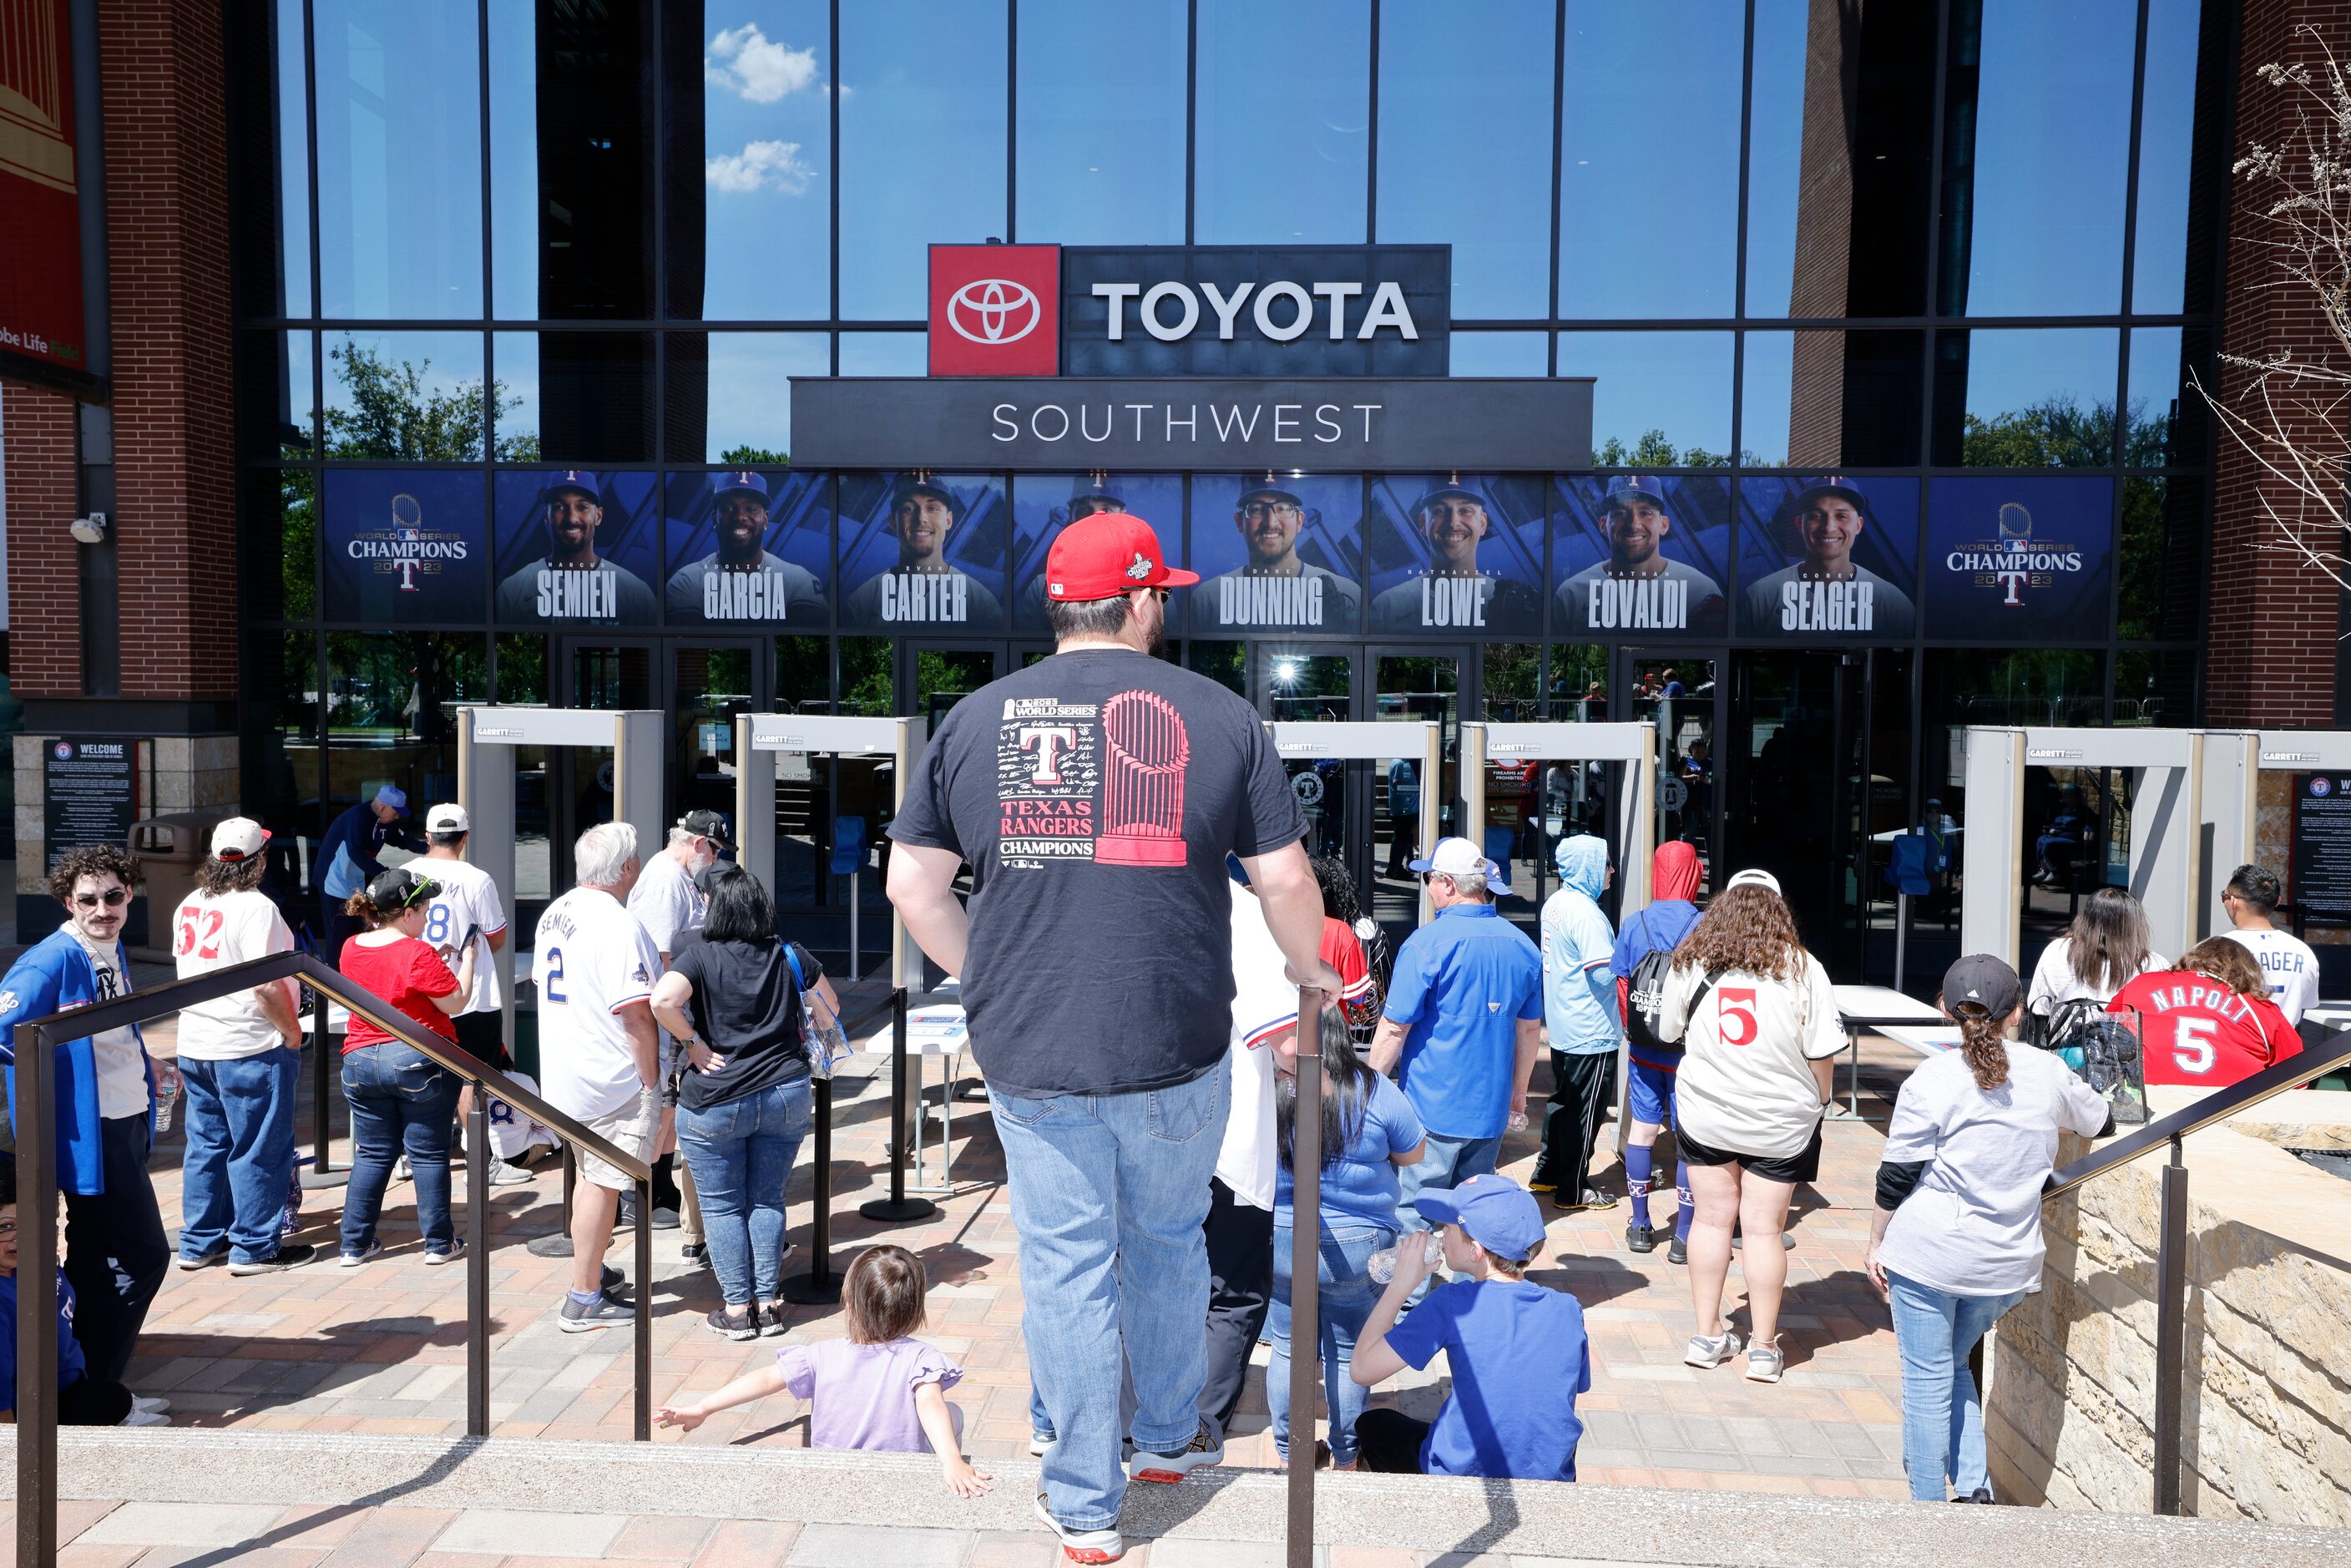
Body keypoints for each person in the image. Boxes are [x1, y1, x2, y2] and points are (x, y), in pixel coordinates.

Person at [887, 509, 1332, 1564]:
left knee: (1068, 1265)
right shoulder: (1221, 716)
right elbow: (1283, 880)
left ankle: (1086, 1509)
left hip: (1034, 1046)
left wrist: (990, 975)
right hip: (1177, 1041)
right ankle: (1170, 1438)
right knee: (1169, 1242)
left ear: (1059, 603)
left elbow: (915, 884)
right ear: (1137, 600)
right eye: (1160, 593)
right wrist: (1312, 971)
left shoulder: (972, 720)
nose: (1163, 608)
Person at [1866, 956, 2111, 1503]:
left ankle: (1928, 1509)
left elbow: (1896, 1177)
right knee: (1952, 1363)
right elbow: (2104, 1120)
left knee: (1928, 1385)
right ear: (2018, 1012)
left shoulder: (1930, 1079)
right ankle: (1976, 1492)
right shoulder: (2048, 1073)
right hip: (2005, 1267)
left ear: (1943, 1011)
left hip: (1928, 1258)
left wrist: (1876, 1242)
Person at [1656, 868, 1842, 1384]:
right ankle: (1762, 1349)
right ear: (1778, 912)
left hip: (1707, 1113)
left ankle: (1706, 1335)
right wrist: (1820, 1101)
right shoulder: (1804, 969)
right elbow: (1823, 1051)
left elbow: (1668, 1030)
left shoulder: (1691, 963)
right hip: (1780, 1121)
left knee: (1712, 1222)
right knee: (1764, 1230)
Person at [0, 844, 170, 1388]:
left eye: (114, 896)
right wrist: (47, 1089)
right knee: (143, 1256)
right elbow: (6, 1032)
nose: (103, 909)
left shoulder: (109, 947)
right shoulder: (53, 958)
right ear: (67, 903)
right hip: (92, 1132)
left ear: (130, 895)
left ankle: (73, 1371)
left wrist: (148, 1060)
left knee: (96, 1256)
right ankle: (96, 1385)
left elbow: (110, 1027)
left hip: (124, 1118)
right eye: (89, 900)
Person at [648, 866, 832, 1341]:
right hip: (784, 1092)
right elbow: (829, 1012)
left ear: (717, 908)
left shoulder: (700, 957)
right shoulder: (791, 955)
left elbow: (663, 1000)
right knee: (767, 1198)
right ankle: (769, 1304)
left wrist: (694, 1044)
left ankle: (736, 1309)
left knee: (723, 1206)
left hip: (715, 1099)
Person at [655, 1244, 993, 1497]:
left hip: (830, 1470)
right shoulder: (920, 1358)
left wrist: (703, 1407)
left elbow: (764, 1379)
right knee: (954, 1413)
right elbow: (931, 1404)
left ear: (849, 1301)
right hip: (897, 1468)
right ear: (915, 1306)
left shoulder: (820, 1354)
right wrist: (952, 1460)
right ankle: (941, 1461)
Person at [1347, 1173, 1591, 1479]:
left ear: (1475, 1251)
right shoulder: (1568, 1308)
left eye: (1448, 1227)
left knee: (1373, 1424)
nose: (1440, 1234)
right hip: (1551, 1474)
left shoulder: (1453, 1303)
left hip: (1463, 1474)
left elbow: (1362, 1369)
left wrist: (1401, 1284)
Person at [1269, 1005, 1423, 1471]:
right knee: (1348, 1349)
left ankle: (1290, 1452)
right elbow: (1413, 1153)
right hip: (1360, 1242)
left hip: (1281, 1235)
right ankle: (1348, 1455)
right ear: (1340, 1034)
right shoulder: (1374, 1087)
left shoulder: (1270, 1087)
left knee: (1286, 1346)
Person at [1369, 838, 1545, 1222]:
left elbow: (1394, 1029)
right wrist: (1518, 1095)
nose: (1427, 887)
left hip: (1431, 1107)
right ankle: (1471, 1284)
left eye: (1430, 878)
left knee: (1414, 1214)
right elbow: (1530, 1032)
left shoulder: (1426, 944)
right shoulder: (1523, 947)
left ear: (1448, 884)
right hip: (1491, 1109)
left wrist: (1367, 1093)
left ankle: (1414, 1286)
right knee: (1473, 1215)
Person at [171, 817, 315, 1274]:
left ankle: (199, 1241)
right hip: (247, 1042)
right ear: (259, 860)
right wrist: (291, 1032)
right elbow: (267, 986)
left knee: (206, 1144)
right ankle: (255, 1246)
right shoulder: (257, 907)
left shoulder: (190, 902)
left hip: (197, 1039)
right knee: (259, 1146)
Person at [533, 822, 663, 1328]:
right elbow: (635, 1014)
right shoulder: (617, 924)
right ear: (627, 868)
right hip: (610, 1078)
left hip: (569, 1074)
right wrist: (651, 1079)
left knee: (590, 1176)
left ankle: (591, 1272)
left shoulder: (555, 911)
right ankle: (583, 1296)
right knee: (602, 1183)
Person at [335, 866, 477, 1265]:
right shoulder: (417, 952)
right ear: (408, 912)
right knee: (429, 1154)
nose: (429, 914)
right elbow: (457, 1001)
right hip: (417, 1060)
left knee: (373, 1153)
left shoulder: (351, 947)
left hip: (360, 1060)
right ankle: (438, 1243)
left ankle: (355, 1244)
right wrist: (467, 959)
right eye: (425, 907)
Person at [0, 1166, 170, 1428]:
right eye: (6, 1227)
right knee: (111, 1400)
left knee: (107, 1394)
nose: (18, 1236)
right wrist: (13, 1439)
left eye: (29, 1222)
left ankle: (112, 1405)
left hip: (64, 1378)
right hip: (35, 1401)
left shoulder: (32, 1263)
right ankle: (116, 1415)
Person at [628, 810, 731, 1240]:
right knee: (661, 1102)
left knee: (669, 1103)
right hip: (666, 1013)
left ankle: (660, 1184)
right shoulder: (666, 880)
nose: (715, 860)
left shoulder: (676, 876)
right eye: (716, 850)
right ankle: (641, 1191)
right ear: (699, 844)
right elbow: (661, 956)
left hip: (673, 1011)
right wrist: (681, 1018)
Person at [417, 804, 528, 1186]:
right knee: (471, 1081)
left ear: (428, 836)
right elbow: (496, 937)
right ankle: (480, 1163)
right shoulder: (476, 878)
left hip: (418, 989)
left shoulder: (405, 873)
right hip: (469, 992)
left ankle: (409, 1154)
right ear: (465, 838)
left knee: (418, 1075)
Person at [1611, 841, 1706, 1261]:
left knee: (1643, 1133)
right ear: (1693, 874)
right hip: (1691, 1056)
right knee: (1688, 1141)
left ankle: (1640, 1224)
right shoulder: (1705, 924)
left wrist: (1635, 1033)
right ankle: (1684, 1234)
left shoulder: (1635, 923)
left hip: (1644, 1051)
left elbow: (1622, 985)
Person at [1534, 836, 1620, 1213]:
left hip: (1564, 1023)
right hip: (1592, 1029)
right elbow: (1602, 976)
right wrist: (1627, 964)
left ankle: (1547, 1171)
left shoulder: (1556, 902)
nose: (1612, 871)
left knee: (1563, 1103)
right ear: (1588, 868)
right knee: (1585, 1113)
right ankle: (1572, 1189)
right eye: (1605, 864)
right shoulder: (1586, 913)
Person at [2108, 936, 2303, 1090]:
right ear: (2246, 970)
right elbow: (2298, 1077)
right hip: (2231, 1108)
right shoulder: (2260, 1008)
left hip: (2151, 1100)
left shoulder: (2142, 984)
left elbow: (2103, 1034)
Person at [1740, 478, 1917, 637]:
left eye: (1841, 516)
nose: (1829, 527)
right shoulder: (1761, 596)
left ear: (1858, 525)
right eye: (1817, 516)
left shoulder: (1893, 603)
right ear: (1799, 524)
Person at [1557, 477, 1726, 634]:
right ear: (1603, 525)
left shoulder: (1701, 590)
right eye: (1620, 513)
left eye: (1646, 513)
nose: (1633, 524)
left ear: (1664, 525)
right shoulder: (1571, 594)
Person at [1370, 483, 1540, 634]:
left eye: (1466, 511)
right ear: (1423, 523)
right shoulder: (1388, 607)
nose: (1453, 523)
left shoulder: (1511, 604)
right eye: (1440, 511)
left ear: (1482, 524)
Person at [1196, 478, 1360, 631]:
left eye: (1283, 508)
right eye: (1257, 509)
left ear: (1300, 521)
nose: (1271, 522)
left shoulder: (1348, 594)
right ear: (1239, 521)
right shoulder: (1209, 599)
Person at [494, 470, 659, 623]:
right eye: (560, 507)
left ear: (598, 516)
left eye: (582, 507)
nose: (572, 518)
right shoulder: (512, 592)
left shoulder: (636, 594)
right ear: (546, 516)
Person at [665, 470, 826, 624]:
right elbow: (689, 645)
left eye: (751, 509)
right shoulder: (687, 580)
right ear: (715, 519)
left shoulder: (798, 580)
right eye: (729, 508)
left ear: (765, 520)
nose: (740, 516)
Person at [844, 475, 1004, 628]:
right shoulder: (862, 602)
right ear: (892, 521)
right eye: (909, 508)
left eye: (933, 508)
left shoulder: (981, 603)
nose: (921, 518)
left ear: (948, 520)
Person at [317, 785, 423, 965]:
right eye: (396, 812)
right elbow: (356, 852)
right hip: (334, 882)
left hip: (355, 883)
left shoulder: (384, 822)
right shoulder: (358, 817)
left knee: (358, 933)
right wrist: (385, 874)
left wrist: (429, 848)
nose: (397, 817)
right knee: (339, 938)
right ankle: (332, 984)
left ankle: (354, 977)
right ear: (383, 807)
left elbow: (403, 839)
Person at [2025, 887, 2163, 1021]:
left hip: (2068, 1043)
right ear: (2134, 923)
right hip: (2128, 1042)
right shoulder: (2153, 964)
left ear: (2085, 918)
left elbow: (2039, 1006)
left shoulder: (2057, 950)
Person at [2218, 864, 2321, 1027]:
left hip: (2236, 1046)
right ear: (2278, 902)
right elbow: (2303, 1007)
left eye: (2225, 896)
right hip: (2287, 1048)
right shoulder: (2304, 952)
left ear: (2234, 901)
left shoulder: (2216, 950)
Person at [1383, 756, 1420, 878]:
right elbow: (1398, 783)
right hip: (1403, 809)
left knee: (1403, 840)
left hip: (1408, 808)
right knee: (1399, 840)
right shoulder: (1399, 763)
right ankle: (1394, 868)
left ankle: (1396, 867)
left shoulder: (1405, 763)